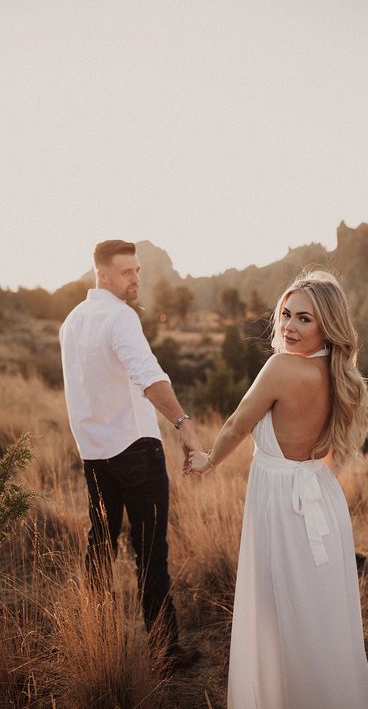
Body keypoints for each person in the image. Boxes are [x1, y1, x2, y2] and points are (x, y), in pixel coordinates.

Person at [189, 270, 368, 708]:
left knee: (279, 610)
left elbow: (237, 423)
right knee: (320, 613)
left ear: (327, 324)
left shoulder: (282, 367)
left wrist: (208, 461)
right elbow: (325, 451)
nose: (289, 326)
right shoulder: (338, 372)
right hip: (321, 498)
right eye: (286, 314)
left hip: (283, 503)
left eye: (304, 319)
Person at [59, 239, 201, 668]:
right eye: (126, 271)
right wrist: (184, 424)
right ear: (102, 273)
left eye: (137, 270)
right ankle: (164, 649)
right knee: (150, 551)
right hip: (136, 450)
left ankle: (95, 640)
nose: (135, 278)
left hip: (96, 454)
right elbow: (148, 376)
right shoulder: (119, 318)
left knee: (99, 545)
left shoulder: (72, 321)